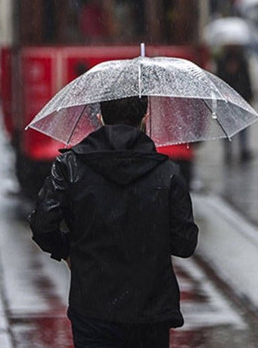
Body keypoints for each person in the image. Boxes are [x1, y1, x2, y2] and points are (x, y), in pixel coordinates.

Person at [29, 95, 199, 347]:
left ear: (100, 119)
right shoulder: (167, 173)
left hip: (92, 309)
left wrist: (68, 251)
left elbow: (43, 224)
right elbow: (185, 244)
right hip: (149, 312)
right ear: (144, 120)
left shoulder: (70, 166)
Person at [216, 46, 254, 162]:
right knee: (227, 126)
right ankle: (228, 151)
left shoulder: (242, 61)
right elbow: (219, 80)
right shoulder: (222, 62)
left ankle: (243, 150)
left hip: (240, 97)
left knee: (242, 126)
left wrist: (248, 95)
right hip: (227, 99)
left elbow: (246, 79)